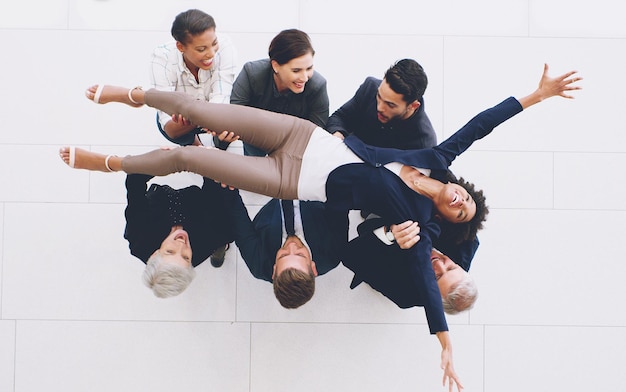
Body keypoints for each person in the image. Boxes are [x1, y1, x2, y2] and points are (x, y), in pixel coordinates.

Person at [67, 63, 580, 390]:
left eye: (458, 211)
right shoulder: (433, 156)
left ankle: (108, 163)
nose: (456, 200)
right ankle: (129, 92)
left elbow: (427, 282)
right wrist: (536, 96)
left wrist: (443, 341)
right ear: (456, 187)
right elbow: (480, 126)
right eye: (462, 197)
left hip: (290, 182)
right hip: (304, 138)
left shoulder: (413, 219)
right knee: (196, 110)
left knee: (188, 158)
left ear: (445, 219)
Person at [124, 174, 235, 298]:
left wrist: (166, 162)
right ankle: (219, 250)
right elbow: (213, 194)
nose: (181, 244)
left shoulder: (139, 238)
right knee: (220, 235)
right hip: (199, 206)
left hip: (162, 201)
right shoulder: (204, 243)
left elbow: (134, 182)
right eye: (186, 257)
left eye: (170, 251)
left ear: (155, 254)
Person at [225, 191, 340, 308]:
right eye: (300, 254)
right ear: (313, 268)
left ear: (274, 271)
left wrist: (228, 185)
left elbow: (237, 217)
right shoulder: (332, 254)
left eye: (283, 255)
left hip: (275, 197)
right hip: (310, 192)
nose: (291, 245)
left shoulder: (259, 264)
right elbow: (339, 205)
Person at [227, 28, 328, 155]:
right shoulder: (251, 73)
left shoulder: (317, 86)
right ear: (275, 66)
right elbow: (235, 114)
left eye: (309, 68)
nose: (304, 77)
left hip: (295, 144)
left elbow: (316, 133)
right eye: (296, 70)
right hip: (255, 135)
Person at [149, 9, 237, 146]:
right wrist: (203, 116)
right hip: (186, 121)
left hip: (214, 113)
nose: (211, 53)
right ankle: (196, 146)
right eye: (201, 49)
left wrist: (205, 117)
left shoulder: (225, 46)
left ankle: (219, 145)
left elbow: (222, 96)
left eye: (214, 44)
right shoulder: (162, 58)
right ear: (180, 47)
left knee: (229, 123)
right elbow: (169, 126)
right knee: (169, 128)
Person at [326, 59, 436, 150]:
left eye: (390, 105)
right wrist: (337, 135)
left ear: (413, 106)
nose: (380, 107)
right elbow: (339, 118)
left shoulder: (423, 143)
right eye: (379, 96)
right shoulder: (370, 88)